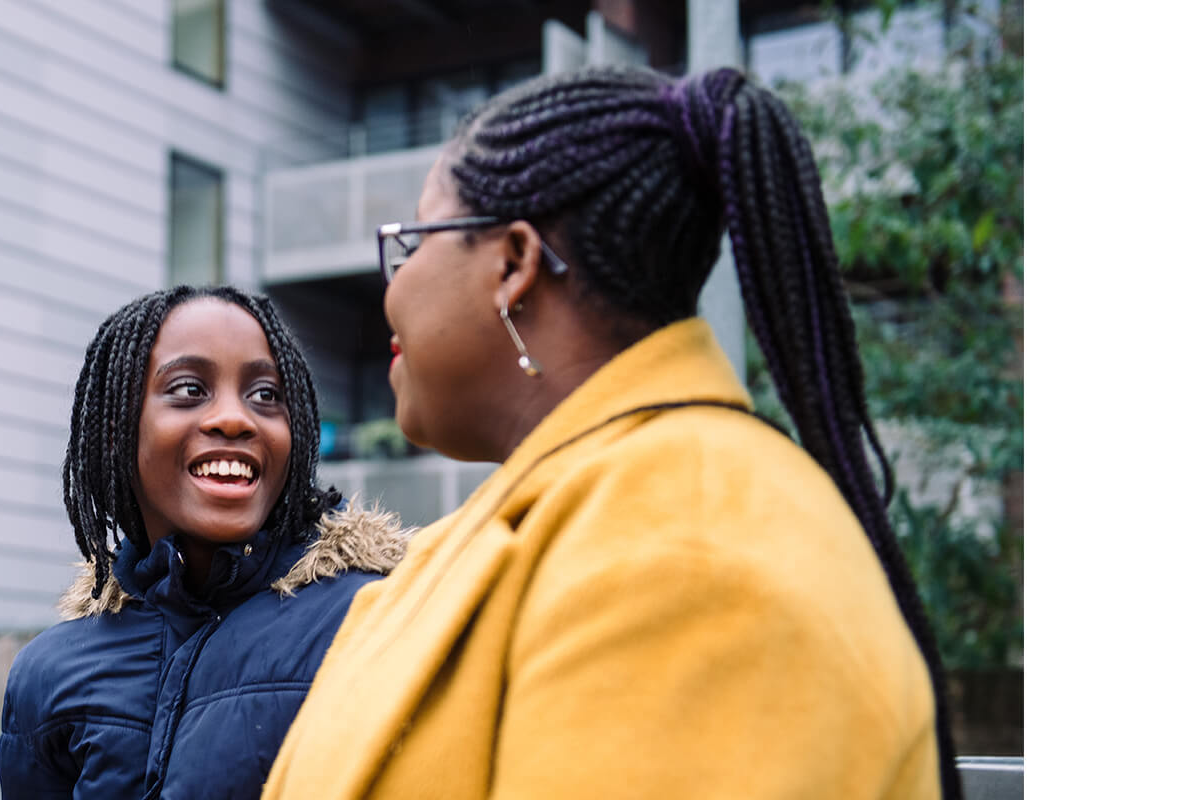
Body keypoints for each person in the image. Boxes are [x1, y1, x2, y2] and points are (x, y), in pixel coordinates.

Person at [263, 65, 960, 800]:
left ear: (513, 263)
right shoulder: (495, 532)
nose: (392, 287)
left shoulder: (691, 550)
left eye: (413, 242)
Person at [0, 285, 410, 799]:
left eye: (266, 395)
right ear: (114, 432)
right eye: (190, 389)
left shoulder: (375, 618)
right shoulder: (49, 673)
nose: (236, 418)